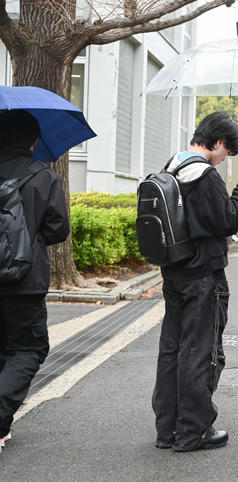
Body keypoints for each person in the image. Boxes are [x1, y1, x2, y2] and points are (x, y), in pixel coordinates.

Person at [151, 112, 238, 453]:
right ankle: (194, 430)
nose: (225, 158)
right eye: (227, 151)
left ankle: (168, 429)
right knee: (200, 351)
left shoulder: (172, 166)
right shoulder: (205, 175)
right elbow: (227, 221)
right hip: (203, 277)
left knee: (172, 351)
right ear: (218, 143)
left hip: (174, 273)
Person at [0, 110, 70, 454]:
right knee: (29, 348)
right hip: (24, 280)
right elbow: (58, 229)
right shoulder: (43, 177)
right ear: (33, 141)